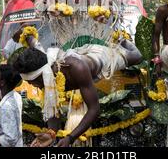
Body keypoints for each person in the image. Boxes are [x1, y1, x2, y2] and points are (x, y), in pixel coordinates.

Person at [12, 29, 142, 147]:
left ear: (42, 75)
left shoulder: (76, 68)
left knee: (136, 56)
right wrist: (51, 133)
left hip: (99, 58)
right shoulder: (45, 76)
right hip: (77, 52)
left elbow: (94, 109)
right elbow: (53, 107)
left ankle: (123, 39)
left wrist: (70, 138)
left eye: (31, 81)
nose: (30, 85)